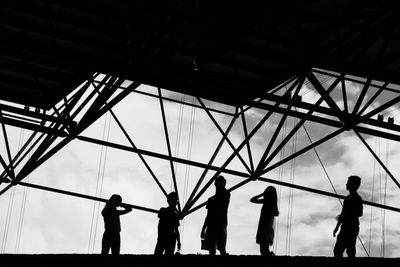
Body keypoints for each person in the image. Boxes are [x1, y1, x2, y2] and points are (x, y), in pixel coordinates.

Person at [333, 175, 363, 258]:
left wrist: (337, 227)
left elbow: (346, 214)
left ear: (353, 185)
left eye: (348, 183)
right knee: (349, 250)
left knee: (341, 250)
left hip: (349, 227)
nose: (346, 184)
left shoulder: (353, 199)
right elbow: (344, 214)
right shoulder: (354, 198)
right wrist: (337, 227)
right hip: (350, 227)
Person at [200, 175, 231, 255]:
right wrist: (203, 228)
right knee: (217, 250)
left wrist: (203, 229)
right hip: (218, 224)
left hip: (217, 225)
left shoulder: (224, 195)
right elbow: (208, 215)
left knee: (218, 250)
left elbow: (208, 216)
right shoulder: (224, 195)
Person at [250, 186, 279, 256]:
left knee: (263, 248)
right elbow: (252, 200)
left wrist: (262, 194)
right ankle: (270, 255)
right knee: (264, 248)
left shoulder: (266, 202)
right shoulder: (271, 203)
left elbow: (252, 200)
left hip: (264, 227)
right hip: (266, 228)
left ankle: (269, 256)